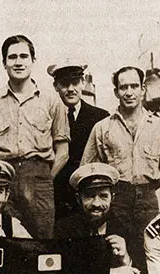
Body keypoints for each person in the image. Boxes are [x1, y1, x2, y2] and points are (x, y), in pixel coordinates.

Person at [0, 35, 70, 239]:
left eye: (24, 56)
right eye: (12, 57)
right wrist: (1, 178)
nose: (18, 62)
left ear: (33, 61)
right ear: (4, 63)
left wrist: (46, 178)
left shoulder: (51, 101)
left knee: (42, 241)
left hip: (40, 179)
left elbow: (63, 151)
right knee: (5, 238)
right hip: (5, 180)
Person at [81, 66, 160, 248]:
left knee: (150, 248)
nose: (129, 92)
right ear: (116, 92)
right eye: (123, 87)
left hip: (148, 199)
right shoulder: (102, 128)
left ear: (143, 89)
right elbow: (87, 168)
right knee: (115, 248)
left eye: (134, 86)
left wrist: (148, 186)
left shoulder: (159, 127)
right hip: (117, 198)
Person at [47, 60, 109, 220]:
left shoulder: (101, 117)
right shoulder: (46, 117)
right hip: (55, 195)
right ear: (55, 86)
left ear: (83, 83)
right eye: (64, 84)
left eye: (75, 83)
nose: (70, 89)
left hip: (89, 197)